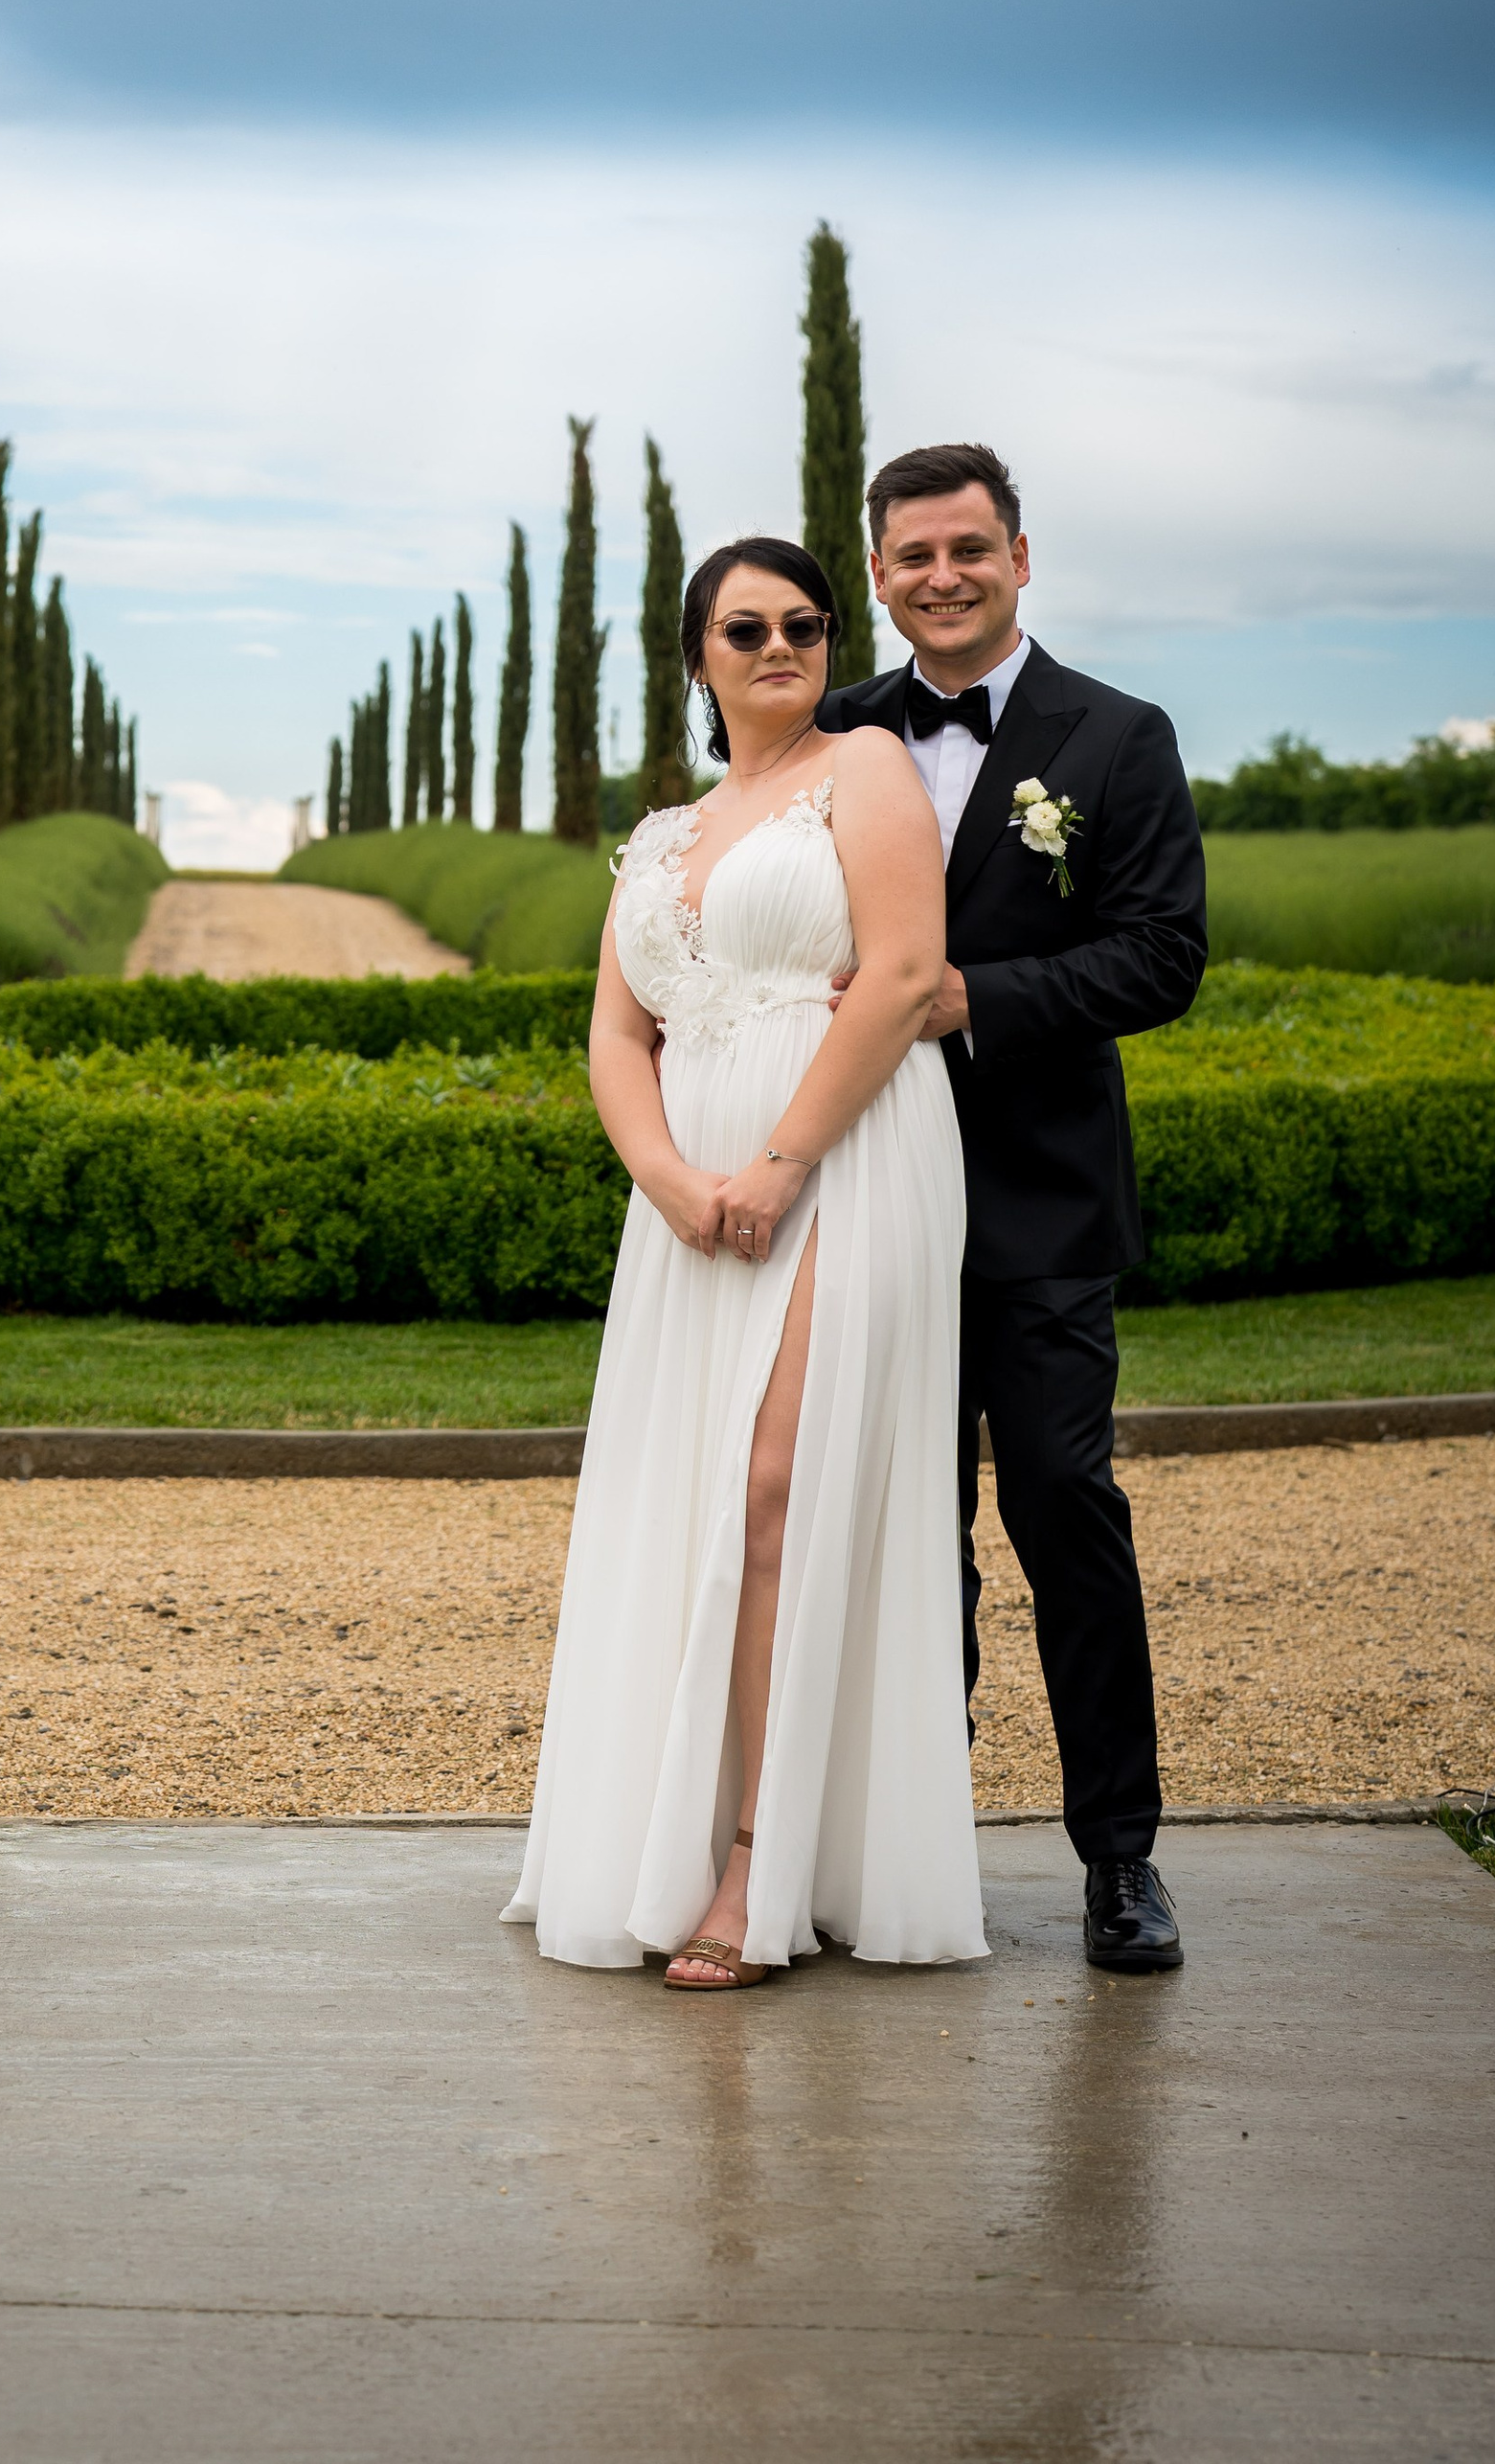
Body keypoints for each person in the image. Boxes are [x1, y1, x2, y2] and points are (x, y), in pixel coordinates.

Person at [504, 536, 985, 1988]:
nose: (780, 646)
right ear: (699, 655)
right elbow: (614, 1030)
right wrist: (668, 1179)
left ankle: (761, 1866)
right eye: (746, 628)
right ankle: (670, 1824)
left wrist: (778, 1166)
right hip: (690, 1208)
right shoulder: (661, 837)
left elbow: (903, 977)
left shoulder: (873, 771)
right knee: (693, 1501)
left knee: (779, 1490)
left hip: (850, 1166)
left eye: (804, 624)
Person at [823, 442, 1206, 1975]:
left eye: (969, 548)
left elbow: (1161, 956)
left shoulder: (1116, 737)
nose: (943, 576)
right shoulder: (838, 728)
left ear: (1021, 557)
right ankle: (914, 1856)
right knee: (905, 1540)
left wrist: (974, 996)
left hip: (1041, 1210)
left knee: (1064, 1510)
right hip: (866, 1201)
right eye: (913, 556)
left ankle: (1122, 1861)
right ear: (879, 575)